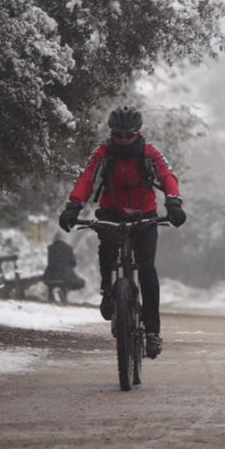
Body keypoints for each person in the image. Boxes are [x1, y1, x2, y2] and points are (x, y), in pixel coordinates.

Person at [58, 105, 186, 359]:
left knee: (147, 269)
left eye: (129, 136)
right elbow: (86, 179)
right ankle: (108, 290)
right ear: (112, 133)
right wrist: (73, 206)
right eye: (118, 135)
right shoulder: (103, 153)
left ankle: (152, 332)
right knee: (107, 247)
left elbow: (168, 175)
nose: (123, 140)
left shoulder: (150, 152)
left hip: (144, 214)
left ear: (138, 134)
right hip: (112, 212)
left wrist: (173, 202)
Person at [42, 232, 86, 301]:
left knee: (51, 278)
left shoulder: (50, 248)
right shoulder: (69, 248)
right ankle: (64, 292)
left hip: (50, 276)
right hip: (65, 277)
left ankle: (51, 294)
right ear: (64, 239)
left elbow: (50, 262)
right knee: (81, 283)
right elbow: (74, 264)